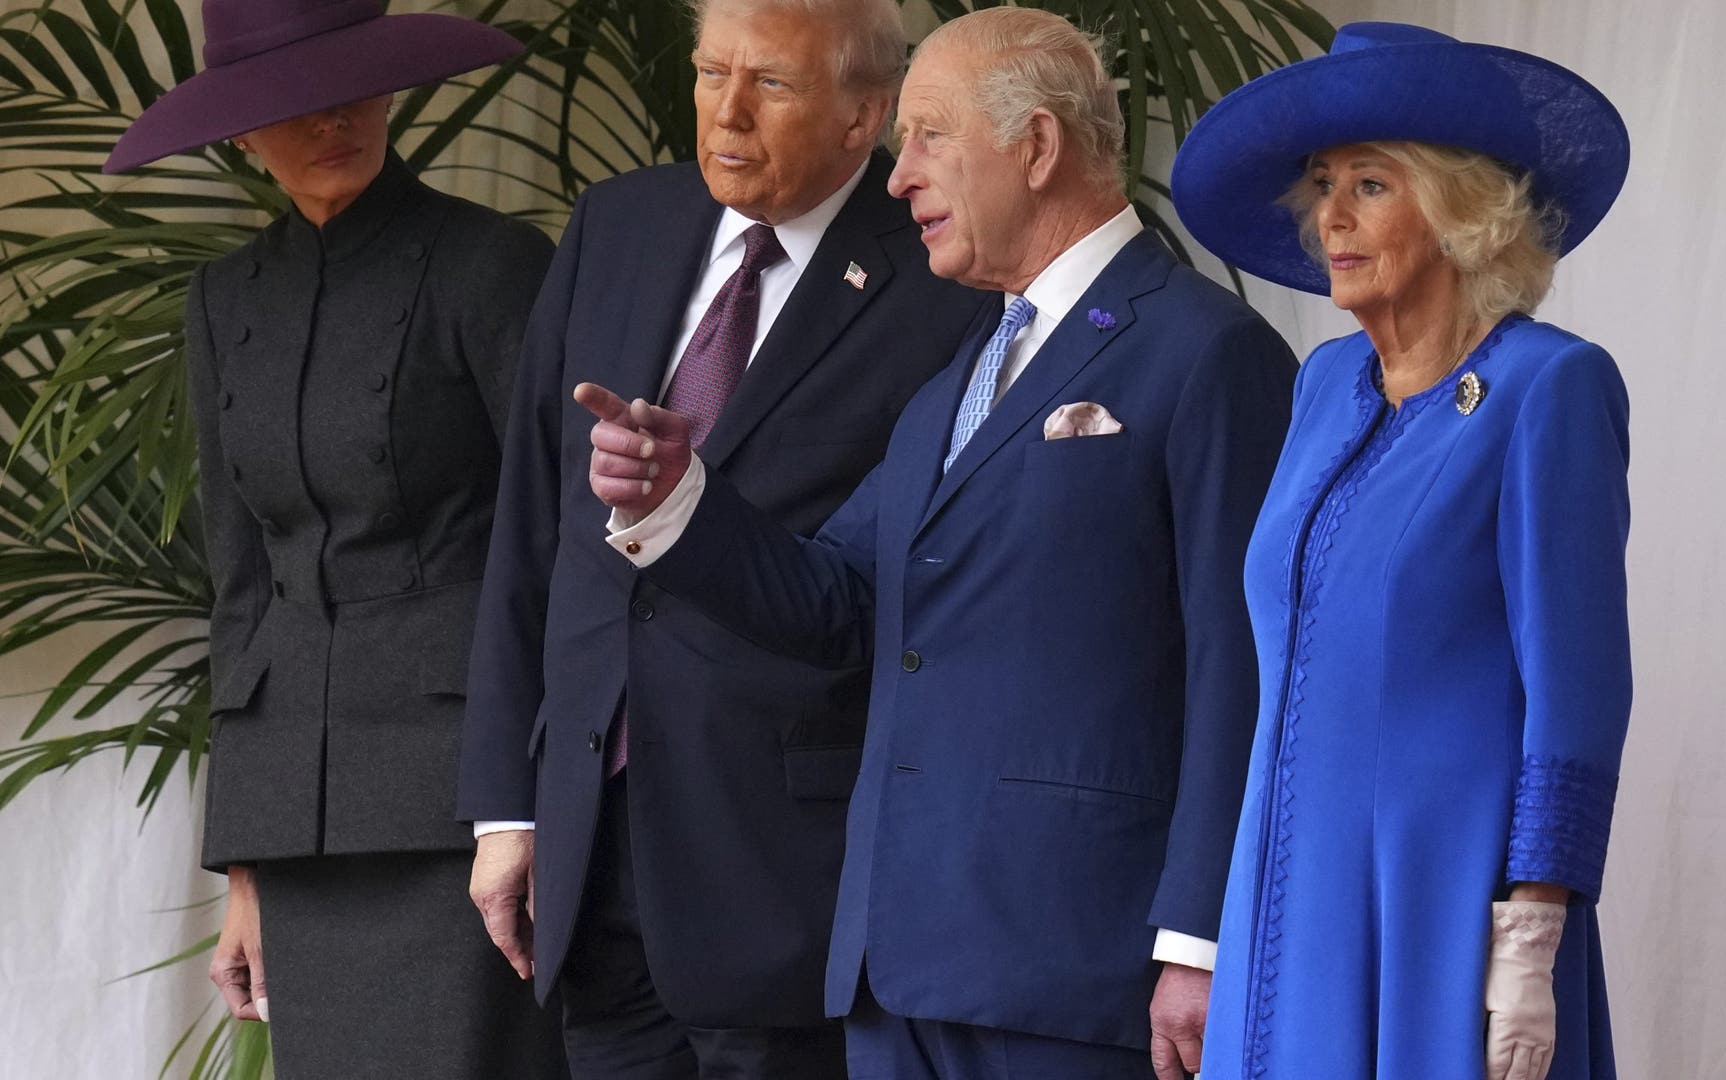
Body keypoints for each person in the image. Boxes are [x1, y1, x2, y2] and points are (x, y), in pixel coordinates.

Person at [575, 9, 1297, 1078]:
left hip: (1079, 973)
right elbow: (838, 603)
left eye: (928, 137)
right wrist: (680, 499)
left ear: (1037, 149)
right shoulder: (960, 376)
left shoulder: (1208, 352)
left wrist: (1198, 939)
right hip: (897, 967)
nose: (899, 174)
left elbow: (1245, 668)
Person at [452, 0, 989, 1075]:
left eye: (773, 84)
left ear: (863, 114)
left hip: (790, 876)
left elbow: (916, 588)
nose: (727, 113)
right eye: (710, 74)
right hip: (593, 856)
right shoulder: (617, 226)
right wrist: (505, 810)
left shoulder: (946, 281)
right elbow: (530, 533)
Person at [1168, 20, 1634, 1080]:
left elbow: (1580, 691)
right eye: (1323, 182)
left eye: (1371, 184)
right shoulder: (1322, 384)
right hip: (1287, 885)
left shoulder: (1545, 388)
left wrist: (1532, 931)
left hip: (1445, 898)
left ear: (1462, 206)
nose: (1329, 214)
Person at [107, 1, 564, 1076]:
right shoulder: (223, 299)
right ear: (242, 128)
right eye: (297, 104)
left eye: (354, 87)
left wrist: (526, 808)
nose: (334, 121)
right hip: (305, 836)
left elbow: (556, 543)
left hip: (466, 810)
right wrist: (248, 872)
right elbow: (240, 586)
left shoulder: (489, 264)